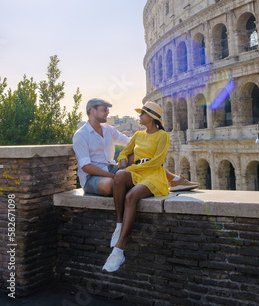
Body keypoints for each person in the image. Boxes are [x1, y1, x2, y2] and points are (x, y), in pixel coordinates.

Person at [73, 98, 199, 196]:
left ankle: (174, 179)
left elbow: (130, 142)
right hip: (92, 177)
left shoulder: (108, 129)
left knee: (139, 154)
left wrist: (148, 145)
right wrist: (114, 177)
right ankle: (163, 181)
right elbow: (86, 167)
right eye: (104, 109)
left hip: (111, 168)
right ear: (93, 111)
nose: (108, 112)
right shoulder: (81, 135)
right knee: (110, 186)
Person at [102, 101, 170, 273]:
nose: (139, 116)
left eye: (142, 113)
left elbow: (157, 161)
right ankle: (119, 224)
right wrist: (123, 160)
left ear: (152, 118)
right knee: (119, 176)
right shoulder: (138, 135)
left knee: (131, 197)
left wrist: (134, 168)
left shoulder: (163, 136)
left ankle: (119, 249)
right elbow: (125, 152)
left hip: (153, 175)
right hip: (138, 172)